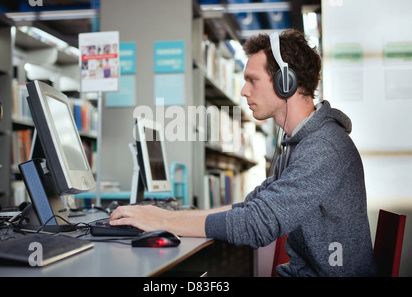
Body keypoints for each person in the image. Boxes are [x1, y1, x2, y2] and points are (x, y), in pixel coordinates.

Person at [109, 29, 377, 277]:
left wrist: (166, 220)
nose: (243, 90)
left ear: (286, 82)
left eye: (252, 80)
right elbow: (251, 207)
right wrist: (167, 218)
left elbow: (256, 225)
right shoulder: (301, 145)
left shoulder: (323, 147)